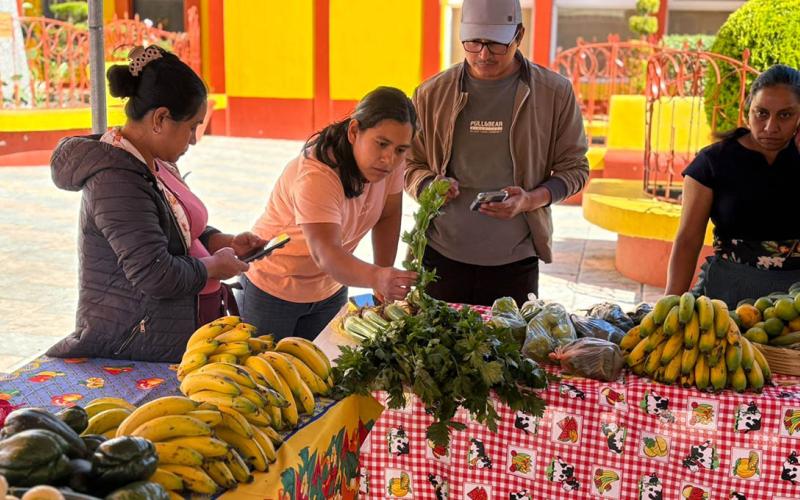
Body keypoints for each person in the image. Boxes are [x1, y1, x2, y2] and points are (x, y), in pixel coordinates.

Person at [49, 46, 264, 362]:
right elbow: (154, 273)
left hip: (176, 330)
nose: (194, 139)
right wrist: (214, 267)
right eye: (192, 126)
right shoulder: (116, 180)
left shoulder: (154, 160)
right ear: (160, 118)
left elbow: (175, 227)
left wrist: (222, 242)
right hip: (139, 342)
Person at [404, 0, 589, 307]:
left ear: (519, 35)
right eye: (473, 43)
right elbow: (409, 164)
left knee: (506, 339)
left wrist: (529, 200)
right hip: (441, 255)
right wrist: (428, 187)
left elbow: (576, 169)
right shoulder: (431, 93)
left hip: (515, 259)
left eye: (496, 44)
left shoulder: (553, 93)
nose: (483, 54)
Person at [240, 86, 418, 340]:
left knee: (324, 362)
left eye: (400, 150)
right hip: (273, 288)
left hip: (330, 289)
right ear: (354, 131)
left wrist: (383, 271)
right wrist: (376, 277)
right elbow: (326, 253)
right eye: (381, 144)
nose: (389, 159)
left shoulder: (390, 164)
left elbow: (388, 215)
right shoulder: (317, 174)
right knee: (268, 365)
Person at [666, 64, 800, 307]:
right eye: (761, 113)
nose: (770, 127)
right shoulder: (712, 162)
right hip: (726, 293)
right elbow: (688, 241)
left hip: (795, 299)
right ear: (748, 110)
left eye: (785, 115)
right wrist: (670, 306)